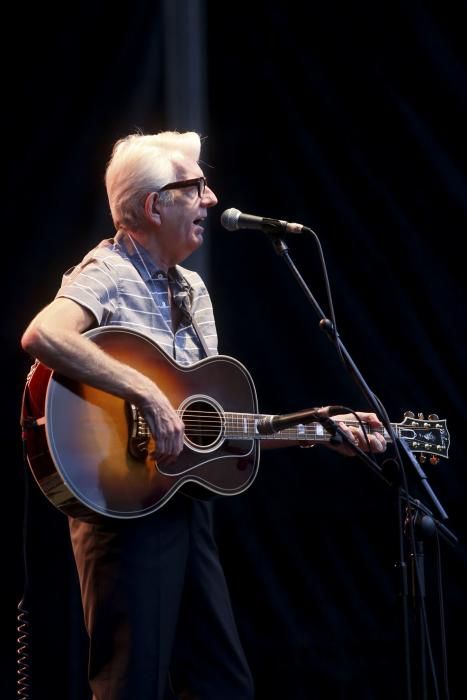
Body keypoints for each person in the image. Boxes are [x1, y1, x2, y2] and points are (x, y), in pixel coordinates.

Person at [20, 130, 387, 700]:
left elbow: (209, 430)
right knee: (130, 686)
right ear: (154, 204)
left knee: (223, 685)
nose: (211, 200)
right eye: (196, 187)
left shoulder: (192, 290)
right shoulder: (107, 271)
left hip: (182, 505)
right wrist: (142, 391)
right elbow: (43, 333)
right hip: (123, 507)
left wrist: (319, 428)